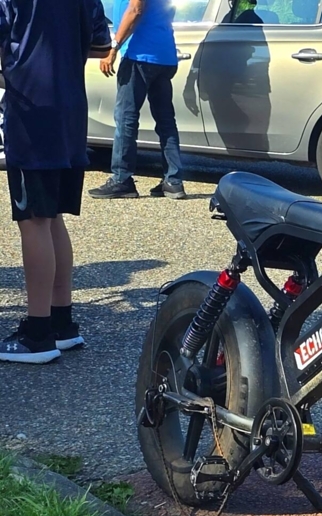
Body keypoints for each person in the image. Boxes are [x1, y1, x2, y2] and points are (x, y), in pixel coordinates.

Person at [0, 0, 112, 364]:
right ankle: (61, 322)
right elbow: (101, 43)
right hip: (69, 108)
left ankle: (37, 333)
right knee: (52, 217)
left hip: (31, 107)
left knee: (33, 219)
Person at [89, 0, 186, 200]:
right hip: (165, 54)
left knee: (126, 118)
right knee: (166, 120)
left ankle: (121, 179)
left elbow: (135, 9)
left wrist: (113, 47)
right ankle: (173, 181)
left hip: (139, 55)